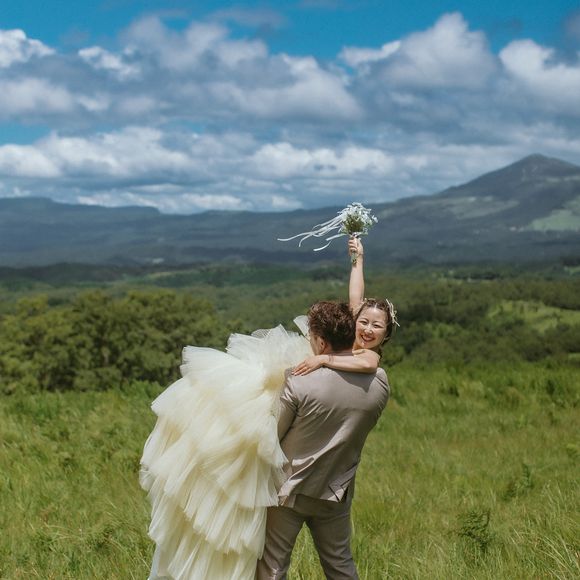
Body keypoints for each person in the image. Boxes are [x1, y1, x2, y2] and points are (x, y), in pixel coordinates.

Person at [256, 301, 390, 579]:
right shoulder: (380, 383)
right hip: (336, 491)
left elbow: (272, 439)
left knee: (273, 566)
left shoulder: (298, 382)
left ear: (320, 341)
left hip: (289, 490)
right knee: (340, 565)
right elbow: (369, 361)